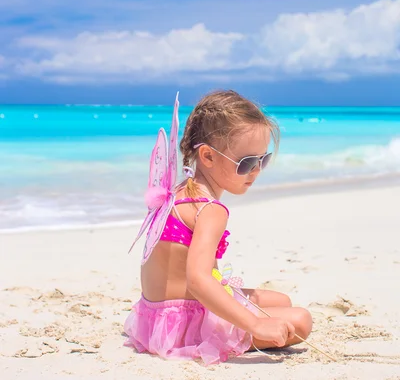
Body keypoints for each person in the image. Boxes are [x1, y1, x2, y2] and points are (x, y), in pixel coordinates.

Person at [124, 90, 312, 365]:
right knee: (301, 320)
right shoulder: (210, 210)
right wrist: (255, 325)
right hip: (184, 325)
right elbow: (198, 280)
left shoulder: (176, 192)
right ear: (208, 157)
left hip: (155, 318)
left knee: (281, 300)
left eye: (263, 160)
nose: (256, 171)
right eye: (247, 163)